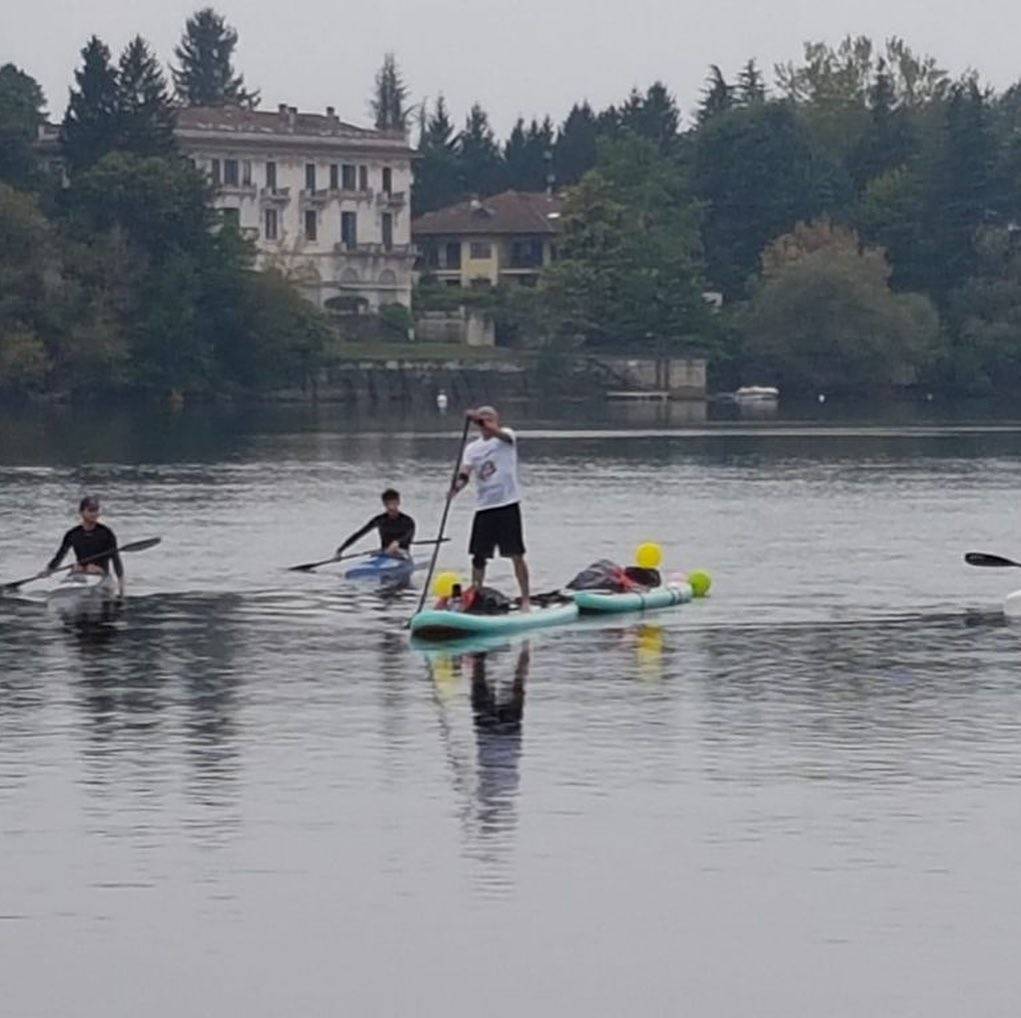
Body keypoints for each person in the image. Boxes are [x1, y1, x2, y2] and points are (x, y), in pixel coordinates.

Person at [451, 406, 530, 610]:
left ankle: (526, 599)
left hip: (507, 505)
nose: (485, 424)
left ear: (496, 420)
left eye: (488, 420)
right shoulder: (472, 449)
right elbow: (465, 472)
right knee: (478, 556)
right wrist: (456, 487)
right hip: (485, 508)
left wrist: (477, 418)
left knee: (516, 554)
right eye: (482, 420)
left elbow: (497, 432)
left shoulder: (506, 437)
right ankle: (475, 595)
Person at [46, 496, 125, 596]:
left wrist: (121, 584)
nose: (94, 513)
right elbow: (60, 555)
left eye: (96, 510)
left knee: (91, 568)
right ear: (81, 512)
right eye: (91, 510)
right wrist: (49, 570)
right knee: (77, 568)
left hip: (101, 573)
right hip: (80, 572)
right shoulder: (73, 534)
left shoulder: (106, 533)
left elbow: (115, 559)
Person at [336, 488, 416, 558]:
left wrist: (397, 542)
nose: (391, 507)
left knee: (399, 551)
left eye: (393, 503)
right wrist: (341, 550)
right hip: (385, 554)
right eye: (388, 504)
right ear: (384, 504)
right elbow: (359, 534)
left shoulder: (408, 521)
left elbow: (408, 536)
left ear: (398, 502)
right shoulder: (380, 520)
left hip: (403, 555)